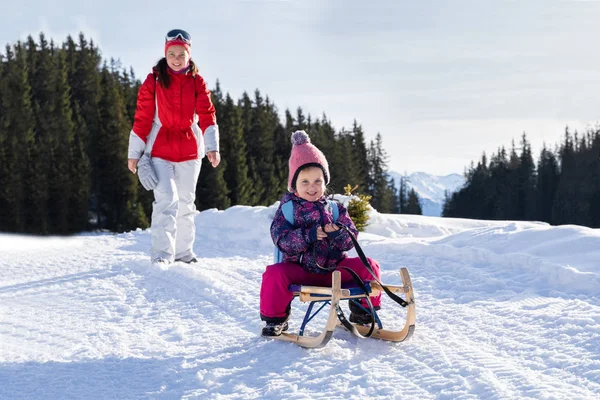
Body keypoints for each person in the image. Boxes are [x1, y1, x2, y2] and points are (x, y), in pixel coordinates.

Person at [260, 130, 382, 336]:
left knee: (368, 265)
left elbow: (350, 239)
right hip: (301, 271)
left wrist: (337, 234)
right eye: (305, 182)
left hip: (334, 270)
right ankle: (275, 319)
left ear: (325, 183)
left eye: (317, 181)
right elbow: (282, 240)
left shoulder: (335, 209)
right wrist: (309, 235)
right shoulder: (288, 209)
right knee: (274, 274)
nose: (312, 187)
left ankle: (362, 311)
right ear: (294, 186)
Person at [127, 29, 220, 268]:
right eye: (172, 54)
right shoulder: (154, 81)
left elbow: (207, 115)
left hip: (190, 150)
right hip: (160, 150)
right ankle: (161, 254)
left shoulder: (196, 81)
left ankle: (183, 253)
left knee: (187, 203)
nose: (177, 58)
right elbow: (142, 117)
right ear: (165, 54)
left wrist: (212, 147)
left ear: (188, 55)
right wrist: (134, 153)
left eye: (181, 54)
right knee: (167, 199)